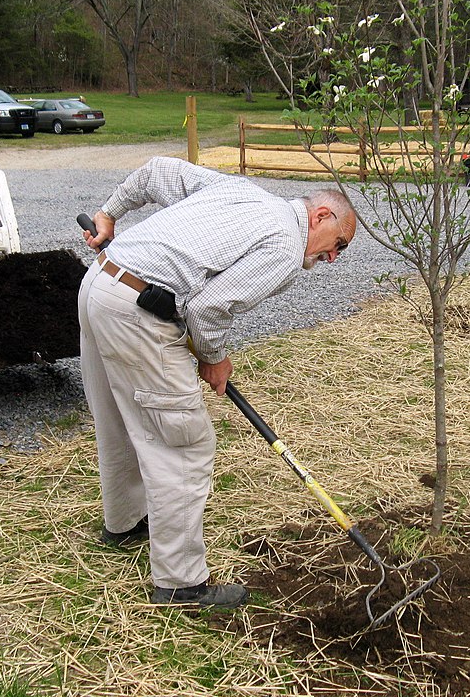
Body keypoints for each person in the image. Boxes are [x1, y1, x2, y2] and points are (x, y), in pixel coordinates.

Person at [79, 156, 356, 609]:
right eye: (337, 244)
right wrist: (214, 359)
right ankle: (180, 581)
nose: (331, 258)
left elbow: (157, 172)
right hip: (134, 311)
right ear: (320, 215)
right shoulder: (286, 246)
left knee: (118, 416)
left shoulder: (242, 191)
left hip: (100, 283)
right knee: (184, 446)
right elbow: (208, 309)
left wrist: (110, 212)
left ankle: (125, 522)